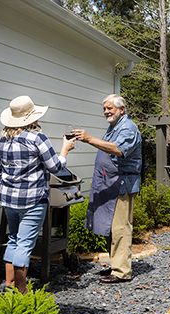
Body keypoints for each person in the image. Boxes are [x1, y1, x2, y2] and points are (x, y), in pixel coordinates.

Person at [0, 95, 75, 294]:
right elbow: (55, 167)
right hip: (33, 201)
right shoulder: (38, 138)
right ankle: (22, 292)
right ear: (33, 117)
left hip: (9, 200)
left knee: (13, 239)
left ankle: (9, 287)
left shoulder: (0, 139)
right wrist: (65, 150)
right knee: (24, 244)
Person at [73, 94, 142, 284]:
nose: (106, 112)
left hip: (121, 184)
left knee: (120, 228)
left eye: (110, 108)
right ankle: (115, 265)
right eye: (104, 108)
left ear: (122, 109)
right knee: (111, 228)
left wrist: (89, 139)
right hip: (109, 183)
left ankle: (121, 272)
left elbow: (118, 150)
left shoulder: (128, 127)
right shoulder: (114, 126)